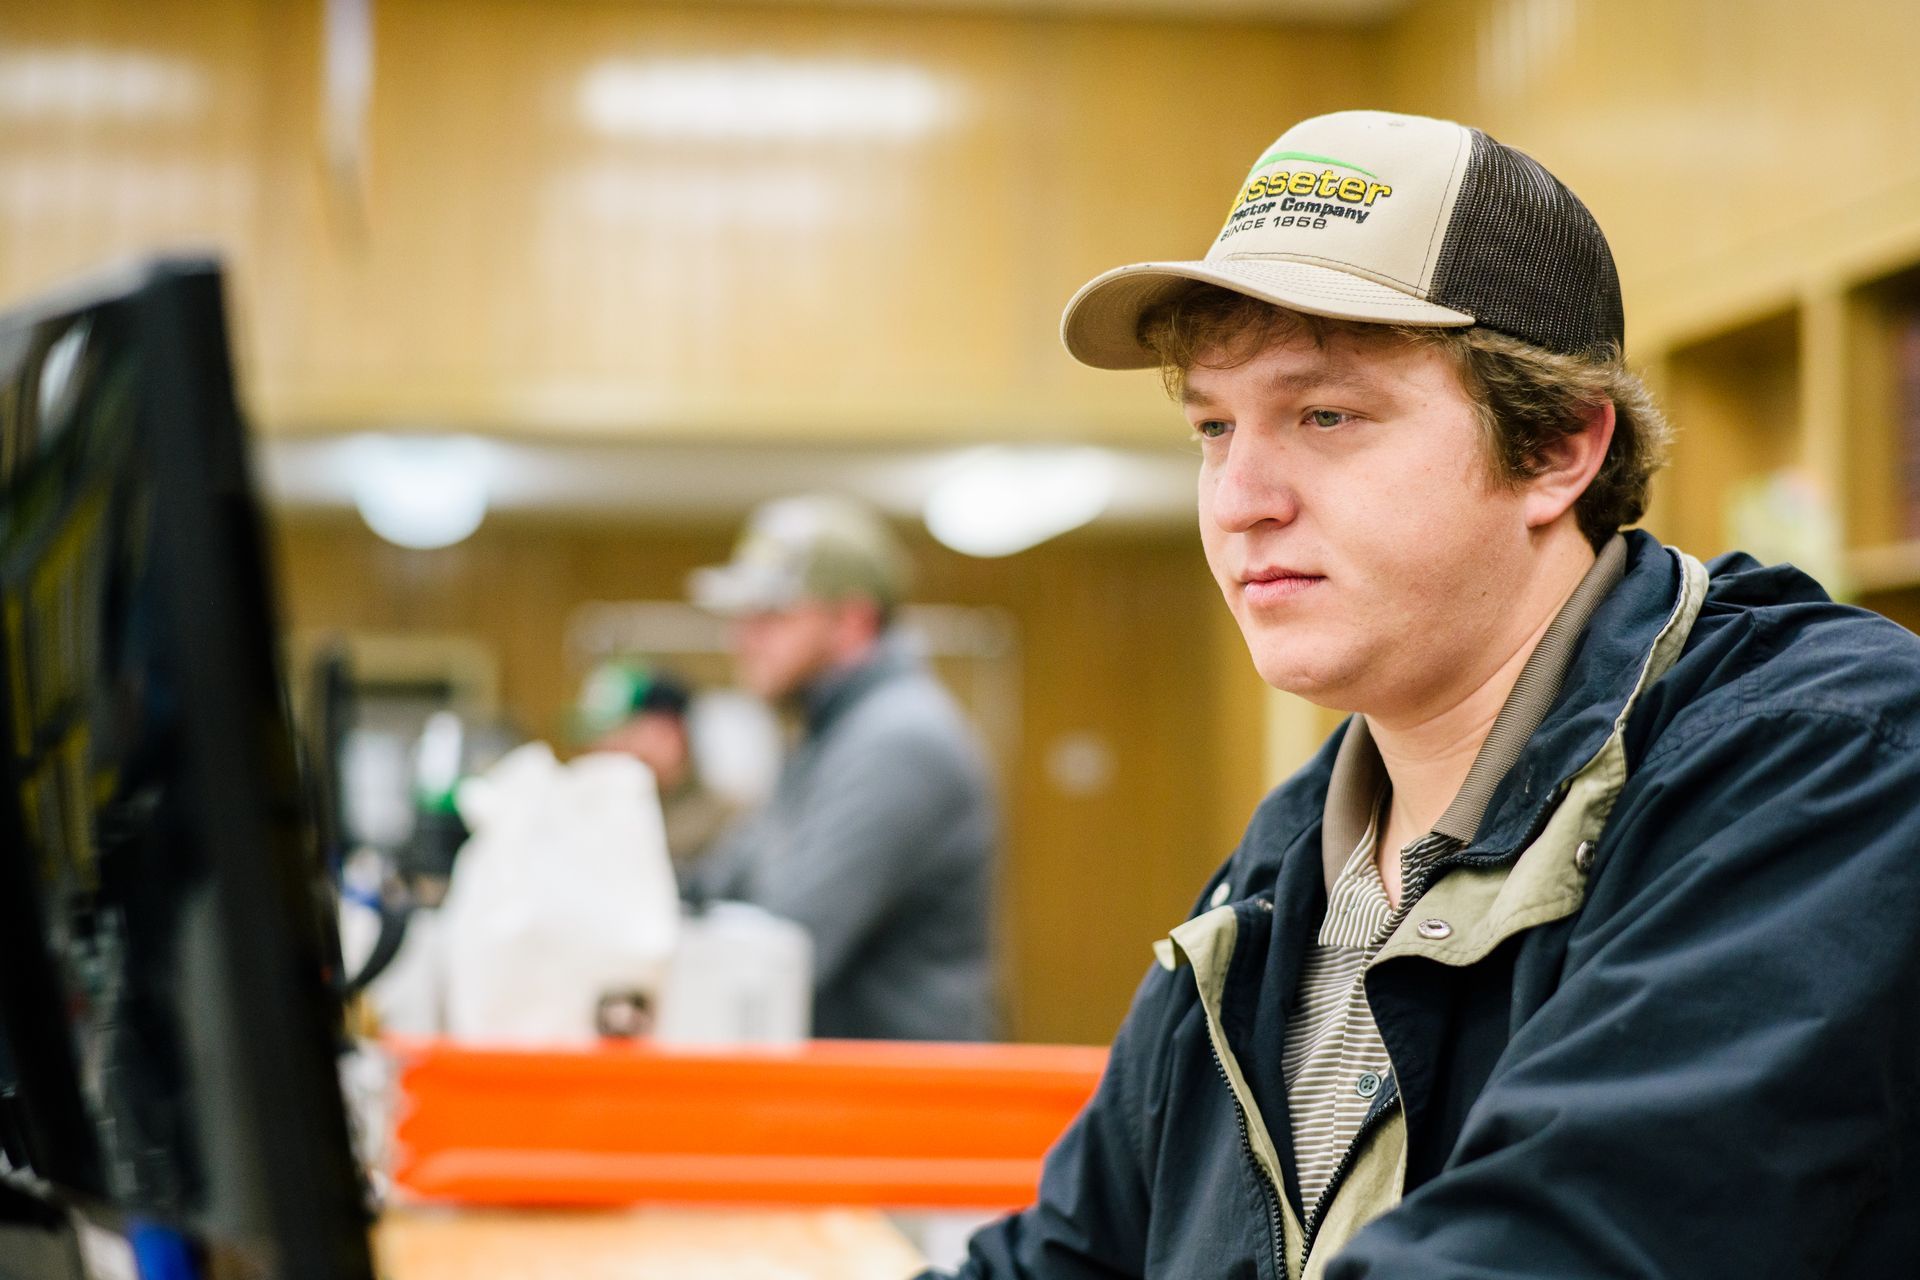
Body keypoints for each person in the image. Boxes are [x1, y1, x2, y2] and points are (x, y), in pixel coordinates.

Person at [935, 110, 1920, 1278]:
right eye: (1212, 424)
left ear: (1557, 445)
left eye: (1325, 415)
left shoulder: (1827, 760)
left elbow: (1563, 1247)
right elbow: (1069, 1253)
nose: (1239, 496)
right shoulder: (1289, 856)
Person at [684, 494, 999, 1041]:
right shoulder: (829, 734)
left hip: (910, 1105)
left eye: (772, 616)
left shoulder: (897, 741)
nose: (743, 638)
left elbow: (788, 944)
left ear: (852, 621)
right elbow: (723, 883)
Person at [575, 662, 739, 873]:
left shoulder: (728, 826)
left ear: (668, 733)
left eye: (623, 738)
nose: (600, 752)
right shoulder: (600, 813)